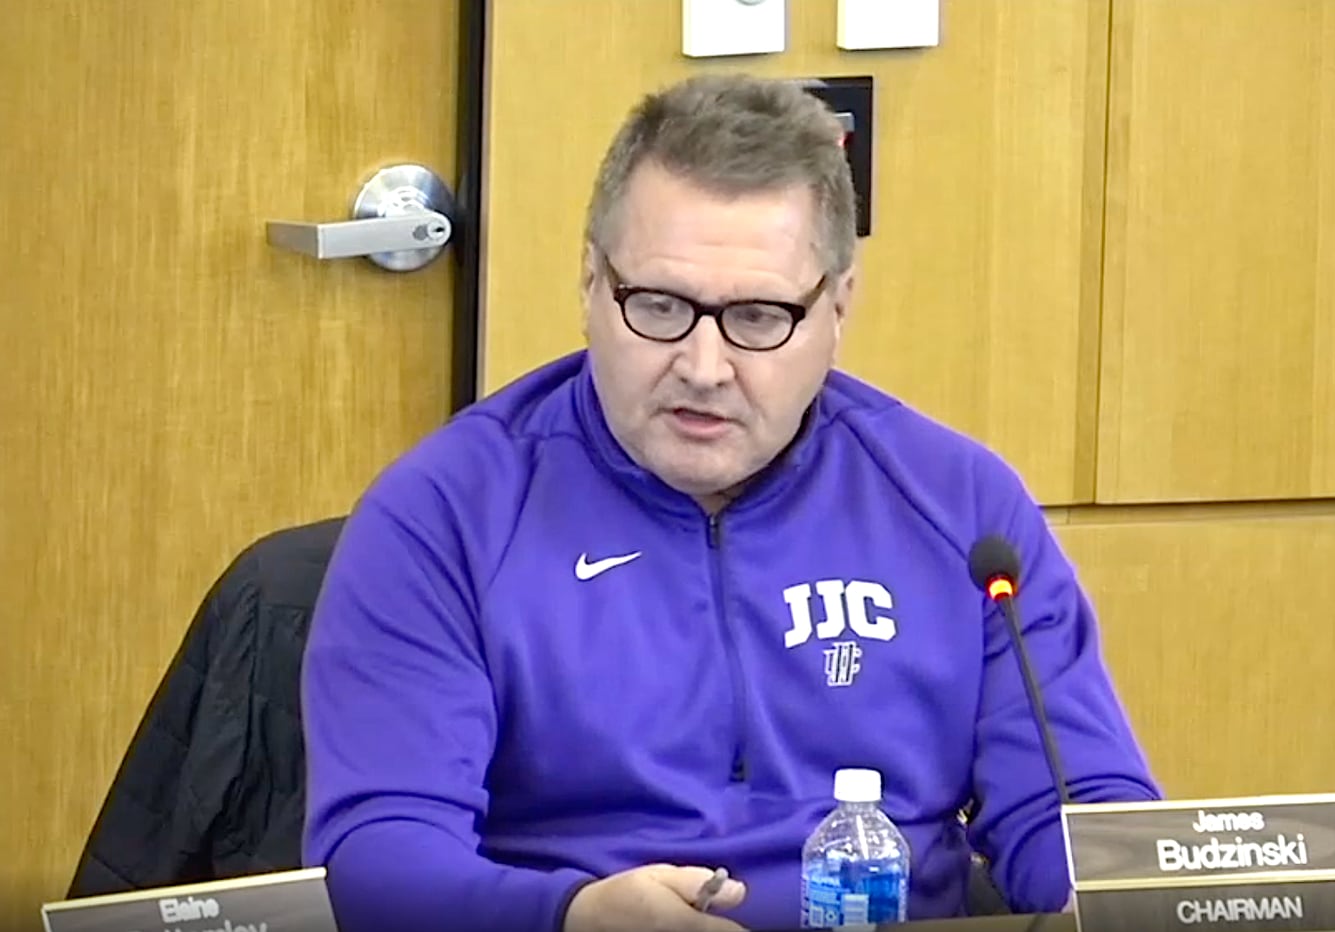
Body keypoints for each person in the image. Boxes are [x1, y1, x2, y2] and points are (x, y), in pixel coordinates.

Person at [300, 73, 1160, 932]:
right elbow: (377, 858)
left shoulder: (961, 507)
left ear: (838, 308)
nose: (705, 367)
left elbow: (1076, 814)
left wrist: (1125, 898)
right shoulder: (444, 515)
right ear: (592, 284)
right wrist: (570, 916)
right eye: (661, 307)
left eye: (757, 317)